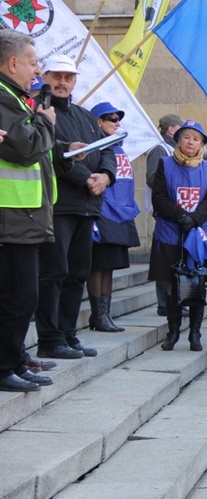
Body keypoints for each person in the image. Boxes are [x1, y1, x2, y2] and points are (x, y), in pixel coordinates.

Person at [0, 30, 85, 391]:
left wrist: (65, 152)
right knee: (20, 296)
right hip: (11, 214)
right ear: (13, 62)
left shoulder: (18, 100)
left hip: (27, 214)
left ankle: (15, 358)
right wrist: (46, 121)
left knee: (23, 294)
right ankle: (5, 365)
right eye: (34, 63)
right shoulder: (5, 100)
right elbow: (24, 147)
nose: (38, 70)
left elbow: (36, 148)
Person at [36, 54, 117, 360]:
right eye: (57, 76)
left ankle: (68, 334)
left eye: (68, 77)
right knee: (54, 273)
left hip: (88, 207)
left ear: (75, 81)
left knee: (77, 274)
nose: (62, 82)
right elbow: (52, 155)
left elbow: (107, 149)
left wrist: (106, 176)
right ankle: (50, 338)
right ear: (45, 76)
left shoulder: (85, 115)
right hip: (59, 205)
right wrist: (87, 178)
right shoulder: (40, 111)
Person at [148, 120, 207, 352]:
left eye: (196, 138)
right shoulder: (165, 164)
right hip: (172, 233)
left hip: (198, 235)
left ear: (201, 143)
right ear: (178, 140)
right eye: (186, 137)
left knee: (197, 283)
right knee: (173, 286)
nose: (191, 142)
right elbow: (158, 196)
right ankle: (172, 332)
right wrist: (181, 217)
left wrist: (194, 219)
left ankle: (195, 333)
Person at [86, 101, 140, 332]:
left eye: (118, 119)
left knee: (109, 267)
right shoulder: (92, 147)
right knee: (97, 265)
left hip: (121, 215)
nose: (117, 123)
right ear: (98, 122)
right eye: (111, 119)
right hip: (102, 213)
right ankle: (97, 315)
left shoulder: (119, 148)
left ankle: (105, 314)